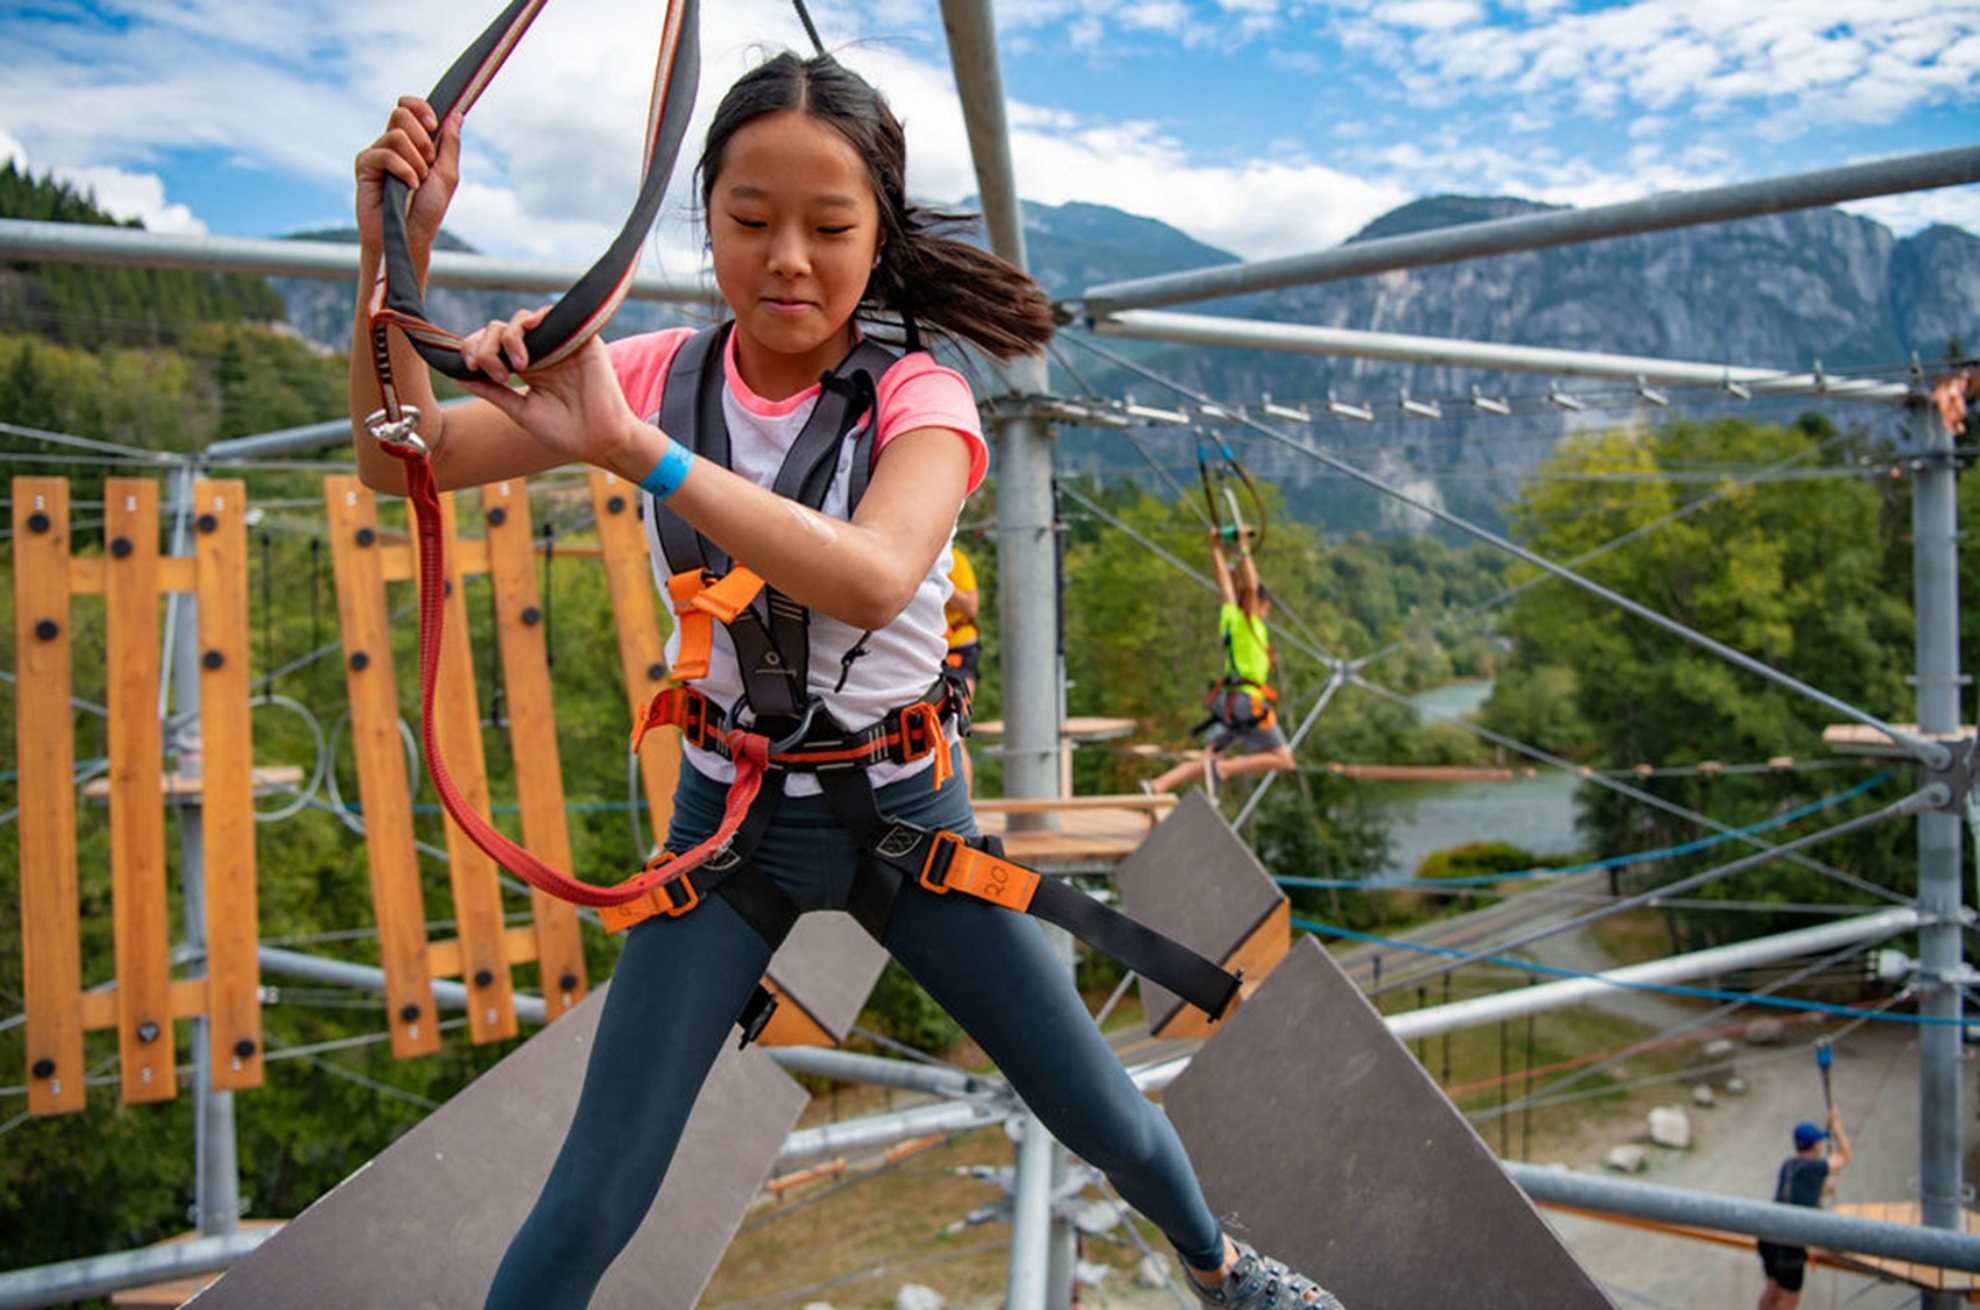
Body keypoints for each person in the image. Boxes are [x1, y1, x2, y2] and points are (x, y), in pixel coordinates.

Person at [351, 50, 1343, 1310]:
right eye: (750, 223)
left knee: (1101, 1109)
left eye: (830, 227)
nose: (788, 262)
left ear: (879, 238)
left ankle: (1217, 1266)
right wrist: (391, 266)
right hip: (728, 825)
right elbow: (404, 463)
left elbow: (872, 576)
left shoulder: (916, 398)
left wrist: (631, 450)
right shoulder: (655, 374)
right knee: (593, 1193)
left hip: (904, 822)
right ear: (703, 215)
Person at [1147, 526, 1297, 796]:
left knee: (1211, 755)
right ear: (1260, 606)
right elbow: (1250, 587)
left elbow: (1225, 587)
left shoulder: (1231, 617)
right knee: (1283, 758)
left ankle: (1157, 786)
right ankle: (1226, 770)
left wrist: (1215, 548)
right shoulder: (1250, 623)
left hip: (1228, 699)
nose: (1265, 614)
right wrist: (1243, 550)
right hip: (1246, 700)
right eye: (1265, 608)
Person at [1756, 1108, 1851, 1309]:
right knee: (1788, 1299)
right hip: (1790, 1243)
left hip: (1768, 1237)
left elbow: (1797, 1195)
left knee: (1772, 1290)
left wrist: (1823, 1189)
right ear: (1816, 1145)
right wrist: (1837, 1126)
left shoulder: (1788, 1165)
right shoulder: (1815, 1168)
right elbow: (1845, 1156)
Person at [942, 543, 981, 790]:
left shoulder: (954, 559)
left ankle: (964, 804)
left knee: (954, 728)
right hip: (929, 651)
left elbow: (970, 605)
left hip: (956, 651)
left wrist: (939, 581)